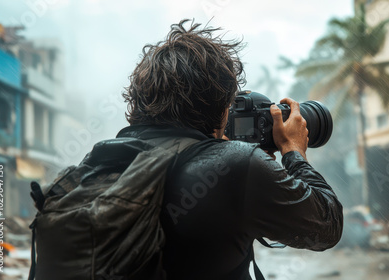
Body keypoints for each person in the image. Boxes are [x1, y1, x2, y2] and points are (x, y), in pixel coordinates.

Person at [118, 19, 343, 279]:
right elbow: (328, 226)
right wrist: (293, 150)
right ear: (219, 107)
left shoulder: (107, 163)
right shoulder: (235, 166)